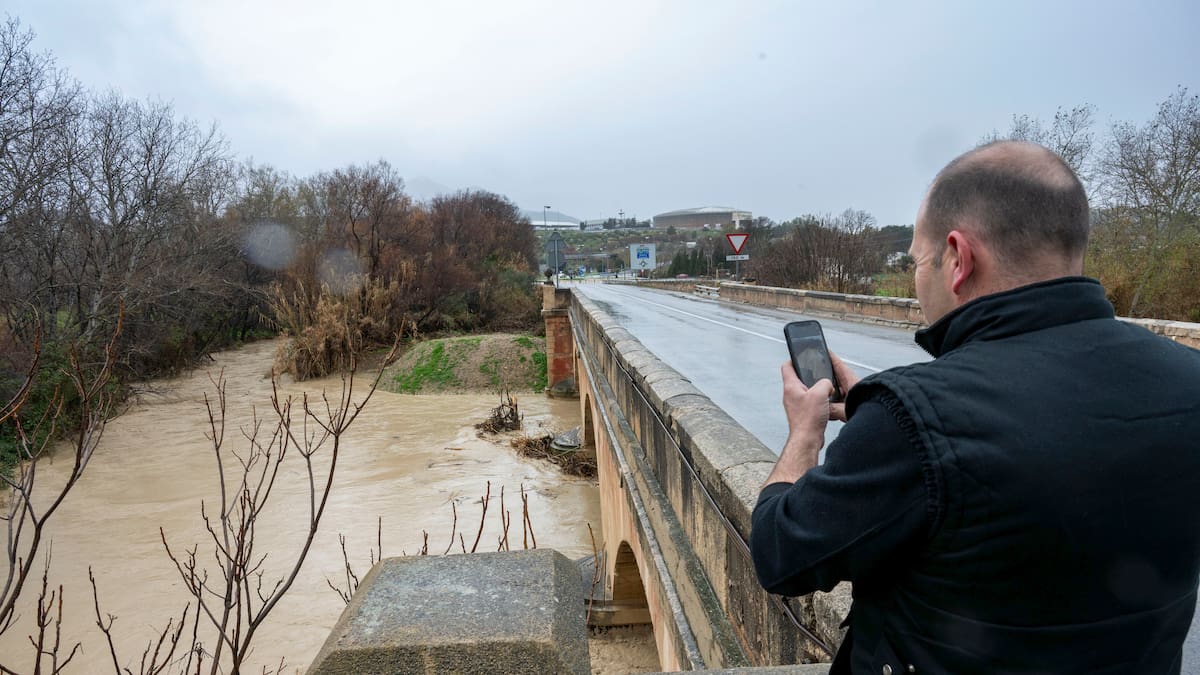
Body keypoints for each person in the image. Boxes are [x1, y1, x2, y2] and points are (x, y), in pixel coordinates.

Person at [750, 140, 1200, 674]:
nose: (919, 277)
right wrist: (884, 419)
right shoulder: (1188, 380)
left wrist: (807, 433)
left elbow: (782, 557)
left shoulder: (908, 423)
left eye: (920, 260)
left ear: (959, 259)